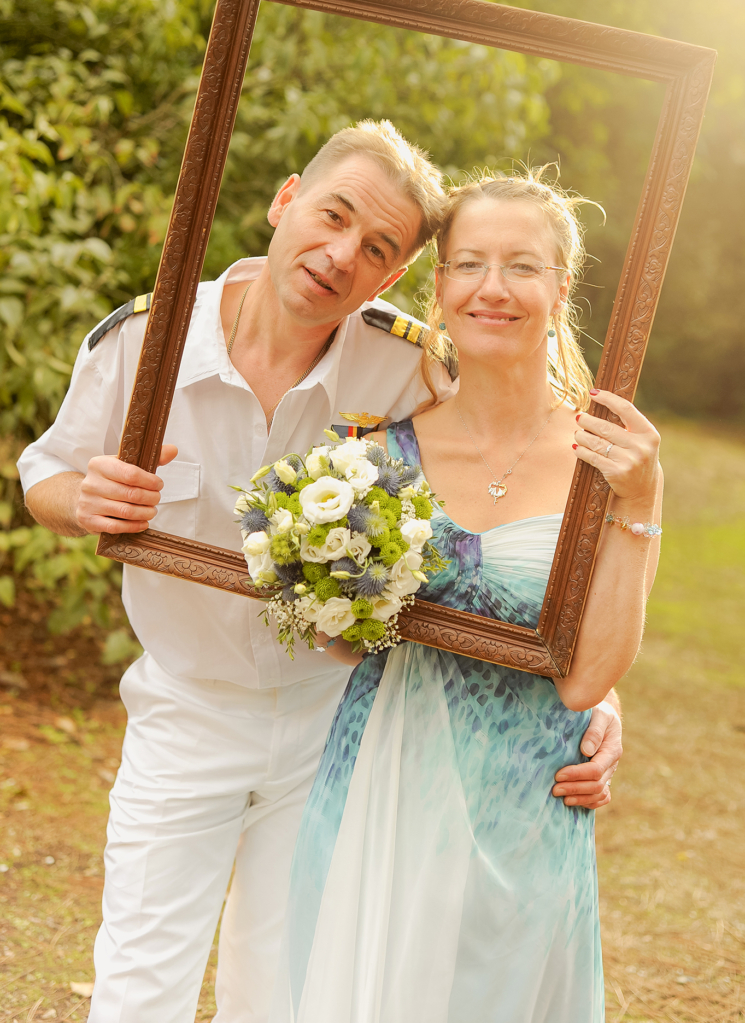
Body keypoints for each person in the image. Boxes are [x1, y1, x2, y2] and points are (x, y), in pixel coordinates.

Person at [17, 127, 621, 1023]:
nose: (341, 255)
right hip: (187, 707)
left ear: (393, 277)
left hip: (337, 720)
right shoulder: (145, 341)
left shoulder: (409, 362)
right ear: (285, 197)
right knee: (140, 981)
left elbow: (501, 509)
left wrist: (592, 696)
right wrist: (81, 500)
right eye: (332, 216)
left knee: (289, 986)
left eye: (378, 249)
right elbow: (46, 470)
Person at [272, 169, 662, 1023]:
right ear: (439, 287)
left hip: (524, 799)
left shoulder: (608, 463)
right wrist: (326, 585)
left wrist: (642, 507)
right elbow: (343, 647)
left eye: (522, 266)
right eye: (469, 264)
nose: (493, 288)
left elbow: (586, 679)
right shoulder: (371, 453)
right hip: (378, 778)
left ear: (560, 287)